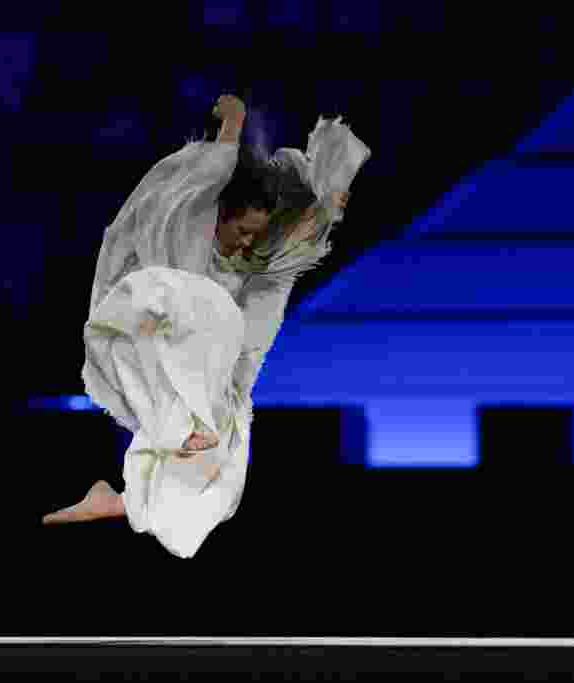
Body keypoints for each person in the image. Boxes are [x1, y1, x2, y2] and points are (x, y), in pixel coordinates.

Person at [43, 94, 369, 558]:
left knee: (223, 469)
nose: (246, 244)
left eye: (256, 236)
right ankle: (170, 437)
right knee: (212, 310)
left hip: (174, 360)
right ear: (221, 213)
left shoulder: (248, 266)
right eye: (242, 232)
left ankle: (122, 502)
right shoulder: (192, 216)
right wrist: (232, 123)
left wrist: (324, 212)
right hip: (134, 316)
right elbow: (213, 169)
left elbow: (259, 321)